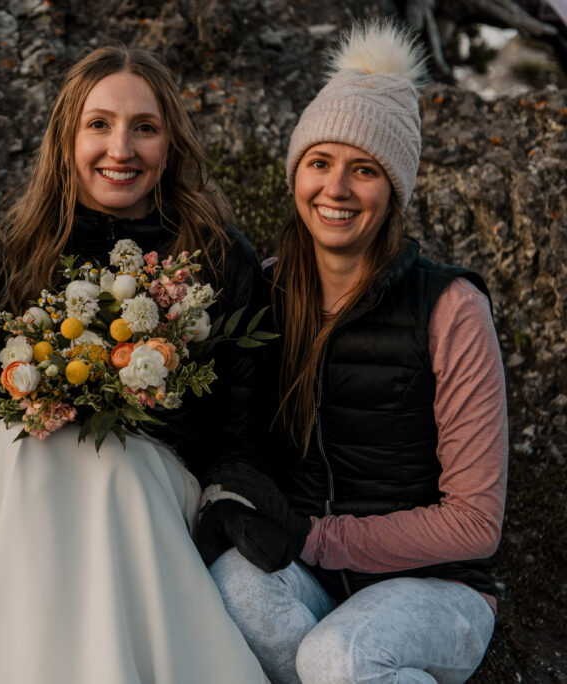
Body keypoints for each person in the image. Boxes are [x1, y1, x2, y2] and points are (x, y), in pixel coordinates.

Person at [0, 45, 269, 683]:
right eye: (99, 124)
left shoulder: (219, 261)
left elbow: (241, 438)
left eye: (145, 127)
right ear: (66, 137)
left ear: (171, 142)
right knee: (45, 447)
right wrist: (46, 410)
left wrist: (129, 419)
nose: (121, 149)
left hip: (148, 513)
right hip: (10, 507)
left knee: (120, 461)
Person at [199, 21, 509, 684]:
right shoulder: (269, 291)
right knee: (227, 585)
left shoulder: (451, 308)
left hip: (439, 590)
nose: (335, 189)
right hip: (316, 580)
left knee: (337, 657)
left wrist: (313, 536)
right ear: (295, 174)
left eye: (363, 170)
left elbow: (475, 523)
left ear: (392, 190)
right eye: (319, 163)